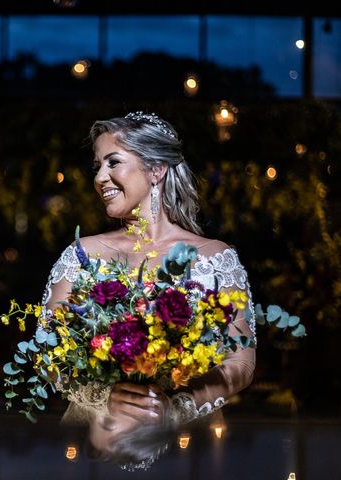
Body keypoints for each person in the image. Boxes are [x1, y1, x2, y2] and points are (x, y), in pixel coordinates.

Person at [40, 111, 257, 444]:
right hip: (98, 436)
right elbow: (48, 353)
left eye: (113, 162)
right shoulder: (82, 255)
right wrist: (103, 397)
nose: (100, 177)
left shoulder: (214, 257)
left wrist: (175, 406)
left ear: (156, 170)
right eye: (97, 166)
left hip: (185, 440)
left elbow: (240, 362)